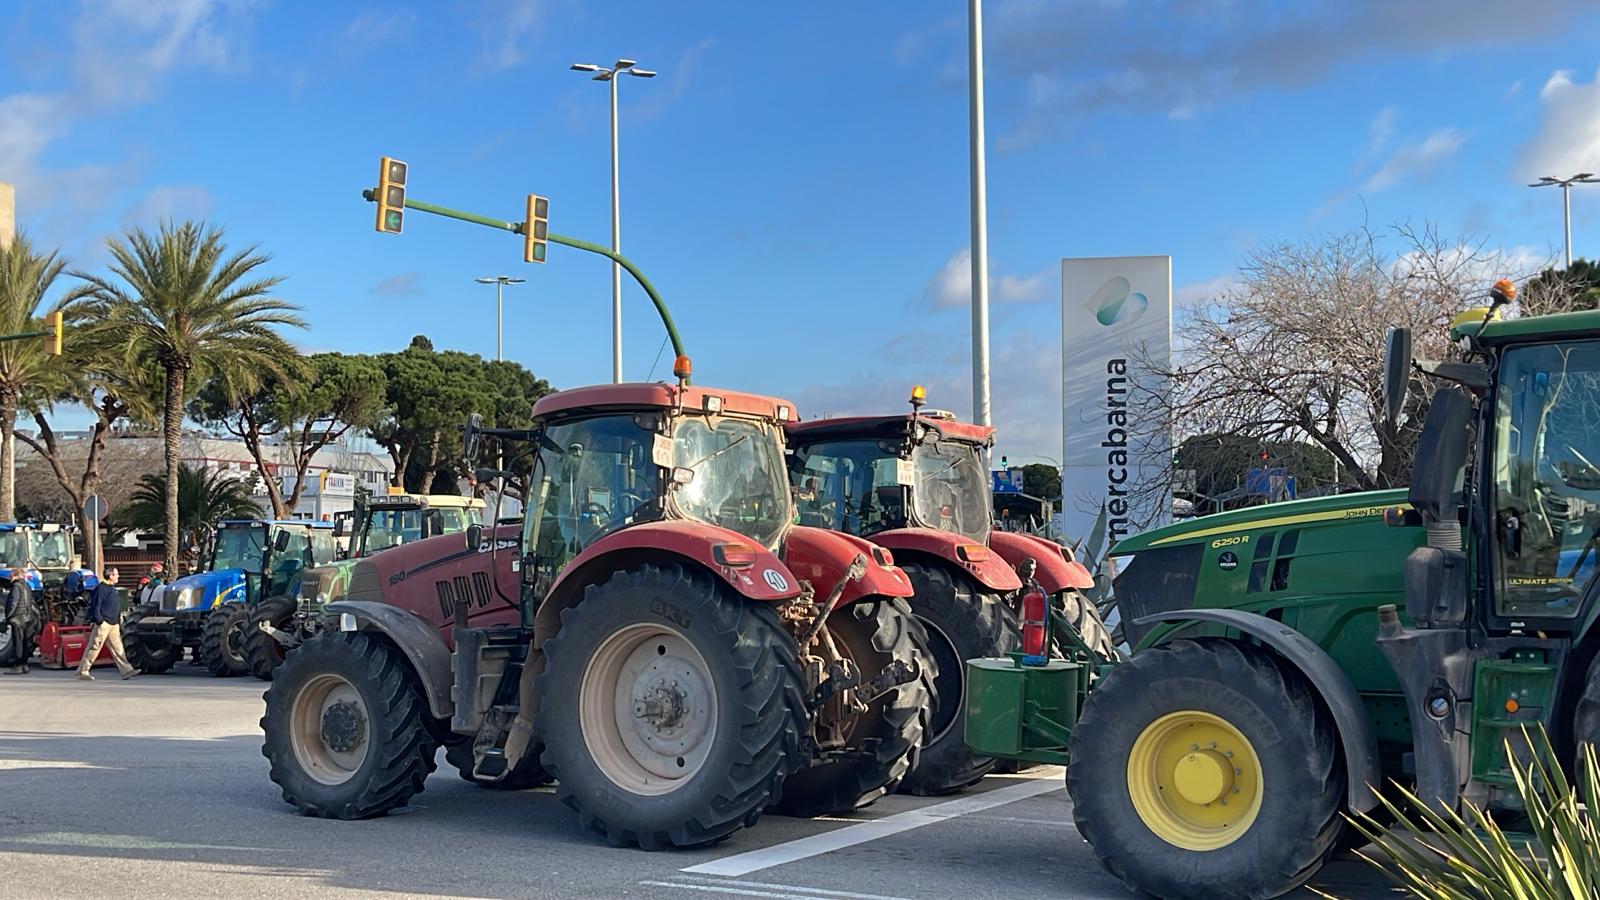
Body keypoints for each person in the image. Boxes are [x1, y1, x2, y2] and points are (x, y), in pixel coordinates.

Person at [78, 567, 137, 681]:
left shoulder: (112, 588)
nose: (118, 576)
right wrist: (100, 621)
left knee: (118, 648)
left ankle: (126, 670)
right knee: (94, 647)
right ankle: (83, 671)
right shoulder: (101, 588)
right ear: (110, 576)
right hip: (104, 624)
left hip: (113, 624)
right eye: (116, 574)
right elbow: (96, 606)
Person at [2, 569, 40, 674]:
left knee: (17, 642)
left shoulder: (16, 587)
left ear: (16, 576)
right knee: (24, 642)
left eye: (11, 576)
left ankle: (17, 666)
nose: (10, 578)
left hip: (17, 618)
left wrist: (9, 616)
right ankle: (24, 665)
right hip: (27, 617)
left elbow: (14, 602)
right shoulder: (27, 586)